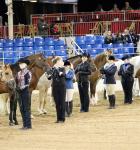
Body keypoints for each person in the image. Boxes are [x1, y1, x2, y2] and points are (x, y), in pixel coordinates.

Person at [47, 56, 66, 123]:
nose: (62, 62)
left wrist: (60, 73)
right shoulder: (52, 69)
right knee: (57, 103)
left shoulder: (63, 68)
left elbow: (63, 75)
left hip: (62, 87)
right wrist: (49, 75)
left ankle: (62, 118)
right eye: (61, 61)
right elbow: (49, 77)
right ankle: (58, 118)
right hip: (55, 87)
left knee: (62, 102)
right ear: (58, 61)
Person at [16, 58, 32, 130]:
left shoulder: (28, 72)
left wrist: (21, 87)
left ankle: (28, 125)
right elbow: (17, 82)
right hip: (19, 92)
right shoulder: (18, 73)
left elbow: (27, 83)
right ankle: (24, 124)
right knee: (21, 108)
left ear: (25, 64)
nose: (20, 65)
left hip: (25, 91)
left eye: (21, 64)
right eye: (19, 64)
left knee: (26, 108)